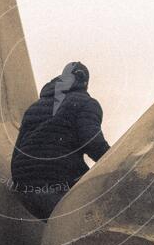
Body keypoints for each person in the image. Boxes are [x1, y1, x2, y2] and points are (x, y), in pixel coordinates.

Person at [11, 61, 110, 220]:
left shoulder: (35, 107)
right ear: (85, 82)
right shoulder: (86, 103)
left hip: (24, 189)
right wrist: (116, 164)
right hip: (56, 184)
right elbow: (92, 142)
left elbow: (17, 152)